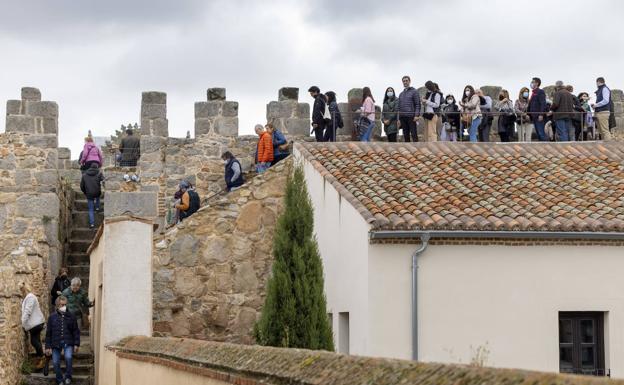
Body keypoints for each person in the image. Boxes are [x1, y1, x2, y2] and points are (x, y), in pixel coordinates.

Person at [45, 295, 80, 385]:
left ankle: (68, 376)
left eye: (65, 304)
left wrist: (76, 344)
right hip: (55, 343)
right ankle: (59, 379)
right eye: (61, 305)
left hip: (68, 342)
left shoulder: (71, 316)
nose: (63, 306)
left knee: (68, 357)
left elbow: (76, 331)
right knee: (56, 362)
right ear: (57, 305)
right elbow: (48, 333)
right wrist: (47, 347)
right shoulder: (51, 317)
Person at [20, 282, 46, 370]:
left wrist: (22, 323)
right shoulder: (28, 297)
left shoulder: (30, 297)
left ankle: (42, 358)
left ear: (24, 290)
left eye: (21, 291)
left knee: (34, 341)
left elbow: (28, 311)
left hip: (36, 323)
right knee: (36, 340)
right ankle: (41, 360)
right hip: (35, 323)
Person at [80, 163, 104, 229]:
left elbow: (81, 186)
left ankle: (92, 224)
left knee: (90, 209)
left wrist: (85, 192)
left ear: (90, 167)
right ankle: (97, 208)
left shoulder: (84, 175)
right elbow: (103, 180)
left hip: (89, 193)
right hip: (97, 192)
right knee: (98, 197)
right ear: (97, 167)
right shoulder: (99, 173)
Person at [398, 76, 421, 142]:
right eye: (403, 81)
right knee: (405, 135)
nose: (405, 82)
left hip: (411, 116)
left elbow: (417, 104)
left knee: (414, 134)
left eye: (406, 80)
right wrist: (399, 119)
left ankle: (417, 149)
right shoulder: (401, 94)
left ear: (409, 81)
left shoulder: (414, 91)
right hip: (403, 117)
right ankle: (408, 151)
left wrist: (416, 115)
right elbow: (399, 107)